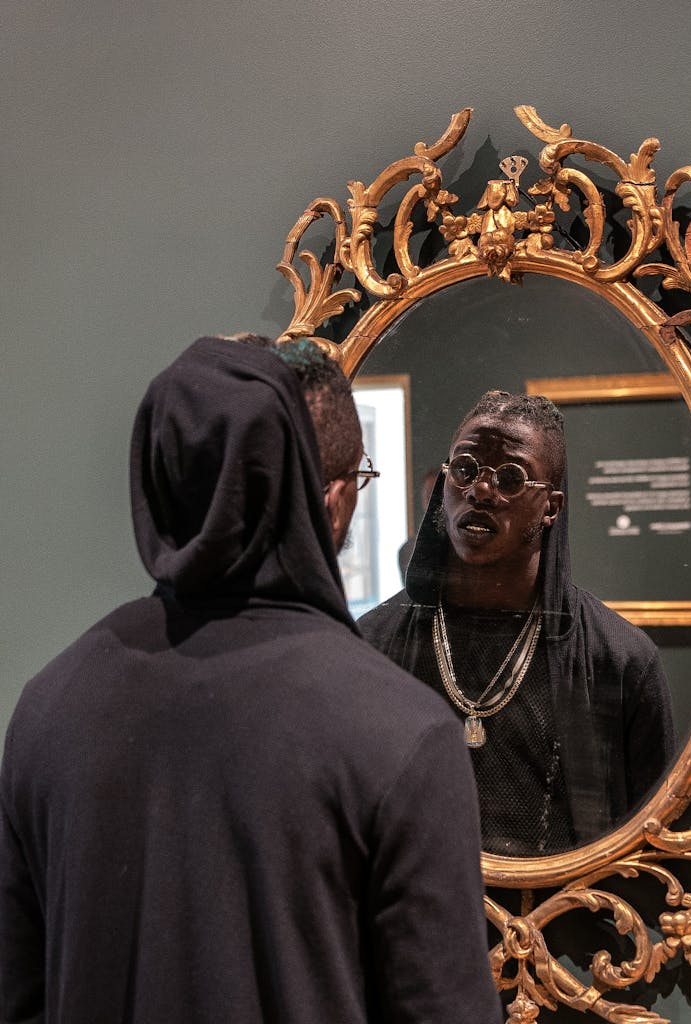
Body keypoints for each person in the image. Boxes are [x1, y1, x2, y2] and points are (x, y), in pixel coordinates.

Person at [0, 336, 502, 1024]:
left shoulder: (47, 709)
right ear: (324, 498)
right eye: (357, 481)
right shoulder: (400, 732)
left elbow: (18, 998)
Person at [360, 390, 676, 857]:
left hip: (563, 921)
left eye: (510, 477)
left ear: (551, 506)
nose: (481, 491)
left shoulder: (620, 660)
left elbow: (652, 841)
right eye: (465, 469)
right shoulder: (372, 644)